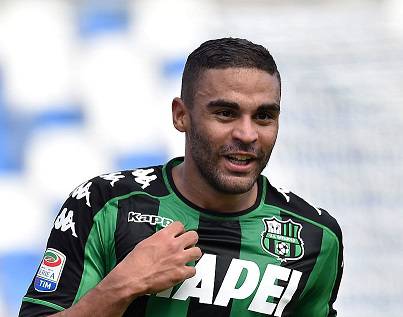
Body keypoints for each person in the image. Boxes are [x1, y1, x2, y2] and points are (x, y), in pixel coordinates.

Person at [19, 37, 343, 317]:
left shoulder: (315, 238)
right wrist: (120, 287)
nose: (247, 133)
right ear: (181, 115)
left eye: (263, 116)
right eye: (226, 113)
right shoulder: (103, 204)